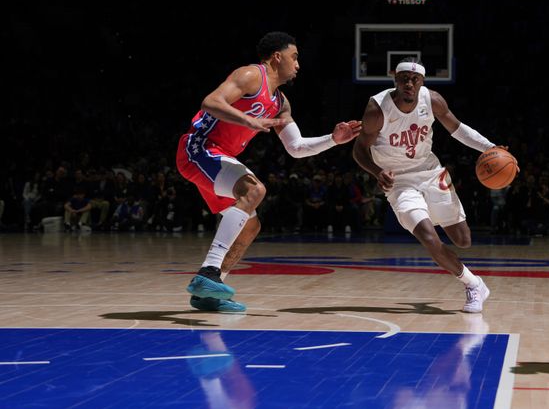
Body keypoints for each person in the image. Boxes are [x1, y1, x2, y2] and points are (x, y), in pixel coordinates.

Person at [177, 31, 361, 313]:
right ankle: (208, 272)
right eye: (294, 57)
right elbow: (211, 103)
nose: (298, 64)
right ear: (277, 57)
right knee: (254, 190)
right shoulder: (251, 75)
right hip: (198, 149)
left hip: (220, 158)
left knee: (251, 226)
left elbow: (297, 148)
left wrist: (333, 140)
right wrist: (247, 120)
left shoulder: (281, 102)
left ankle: (209, 295)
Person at [352, 58, 506, 313]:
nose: (409, 84)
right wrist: (377, 171)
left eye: (414, 80)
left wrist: (490, 147)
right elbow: (359, 149)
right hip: (398, 181)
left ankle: (432, 216)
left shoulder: (432, 100)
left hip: (431, 172)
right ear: (395, 80)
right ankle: (473, 284)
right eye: (404, 79)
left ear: (421, 82)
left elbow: (458, 129)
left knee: (463, 240)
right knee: (428, 237)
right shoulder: (377, 108)